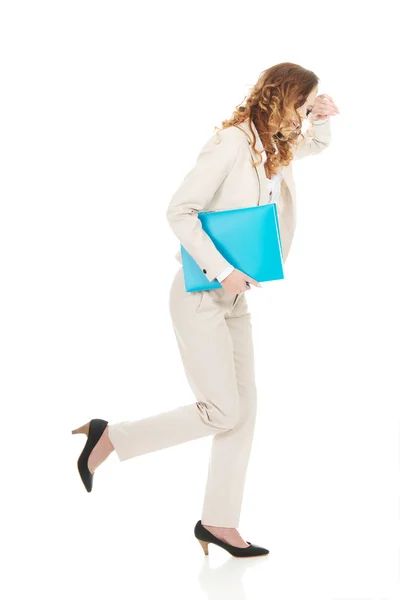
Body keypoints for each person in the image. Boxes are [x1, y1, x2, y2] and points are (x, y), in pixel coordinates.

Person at [71, 62, 339, 557]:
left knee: (243, 413)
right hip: (200, 295)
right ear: (281, 98)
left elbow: (315, 145)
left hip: (235, 299)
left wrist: (320, 117)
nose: (303, 116)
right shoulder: (232, 144)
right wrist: (220, 270)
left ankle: (218, 522)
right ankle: (112, 436)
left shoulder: (271, 145)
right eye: (302, 105)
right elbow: (179, 210)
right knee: (221, 412)